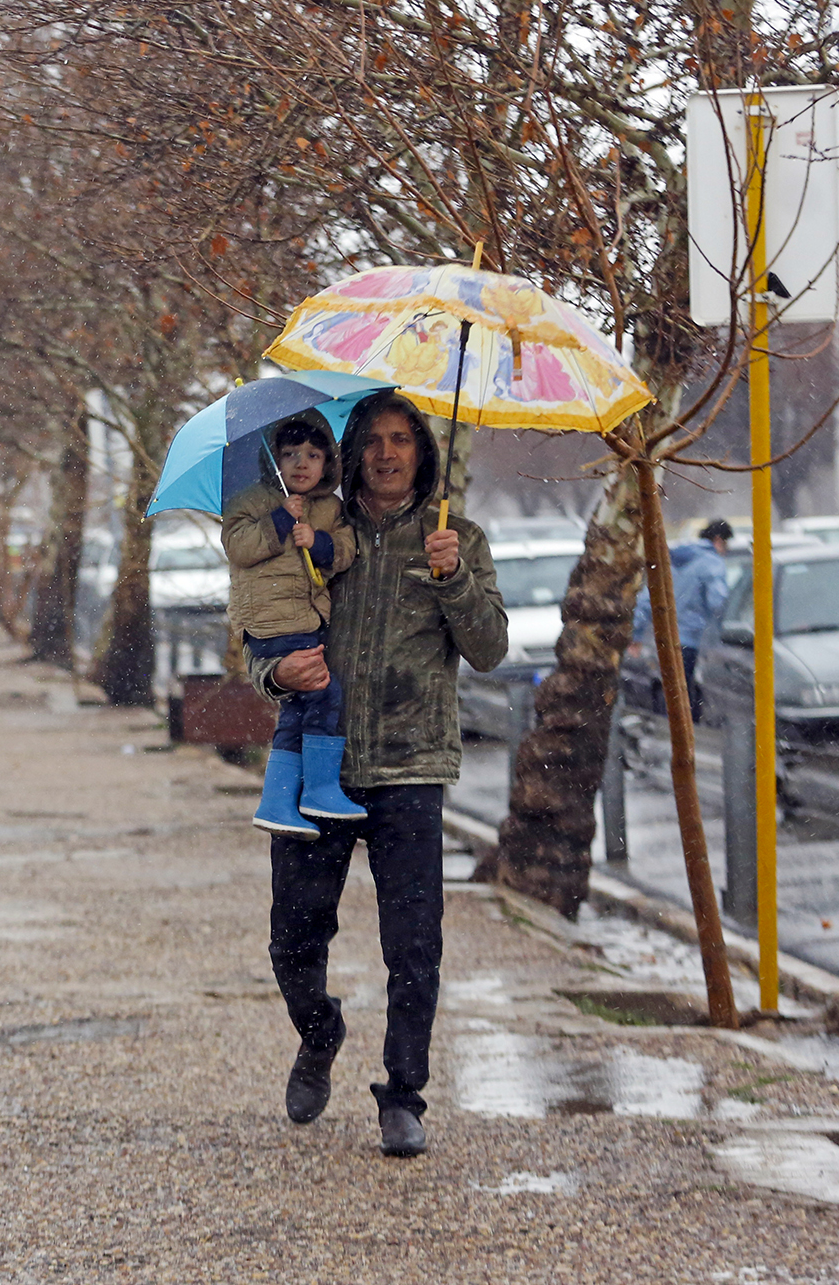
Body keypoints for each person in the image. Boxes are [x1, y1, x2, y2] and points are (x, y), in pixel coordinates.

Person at [248, 390, 507, 1158]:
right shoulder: (316, 531)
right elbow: (263, 624)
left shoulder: (457, 537)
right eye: (375, 441)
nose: (388, 454)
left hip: (410, 766)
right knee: (292, 936)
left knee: (413, 945)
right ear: (352, 450)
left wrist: (453, 577)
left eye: (403, 440)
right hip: (313, 766)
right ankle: (319, 1030)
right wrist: (273, 677)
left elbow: (490, 648)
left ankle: (403, 1094)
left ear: (422, 452)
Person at [220, 411, 364, 833]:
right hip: (269, 624)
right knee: (322, 692)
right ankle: (317, 790)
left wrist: (316, 541)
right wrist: (281, 520)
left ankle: (279, 801)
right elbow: (239, 547)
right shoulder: (250, 501)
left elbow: (345, 550)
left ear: (327, 463)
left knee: (300, 708)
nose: (302, 463)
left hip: (307, 621)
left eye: (314, 455)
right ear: (275, 460)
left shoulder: (329, 508)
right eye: (291, 454)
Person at [631, 519, 732, 722]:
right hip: (692, 642)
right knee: (688, 696)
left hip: (662, 639)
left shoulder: (673, 559)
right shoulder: (712, 563)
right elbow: (718, 602)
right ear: (719, 540)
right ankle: (688, 739)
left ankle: (668, 734)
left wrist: (636, 635)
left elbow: (646, 600)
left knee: (669, 692)